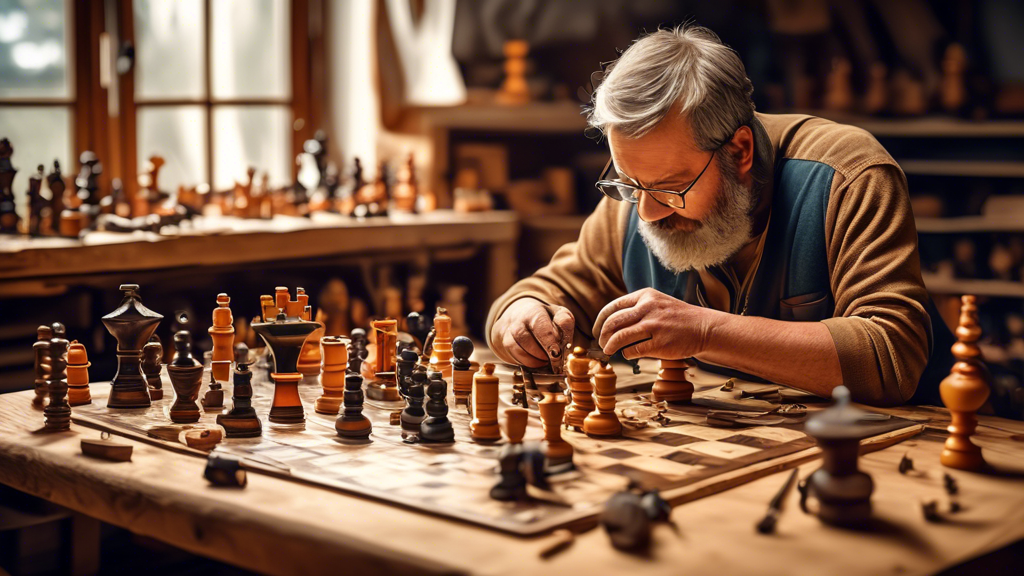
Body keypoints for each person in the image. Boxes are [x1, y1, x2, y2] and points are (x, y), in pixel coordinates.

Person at [486, 24, 954, 407]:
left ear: (741, 151)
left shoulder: (848, 176)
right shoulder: (640, 193)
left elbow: (893, 356)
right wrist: (520, 316)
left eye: (671, 187)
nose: (646, 211)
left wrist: (705, 331)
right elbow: (544, 292)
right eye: (629, 183)